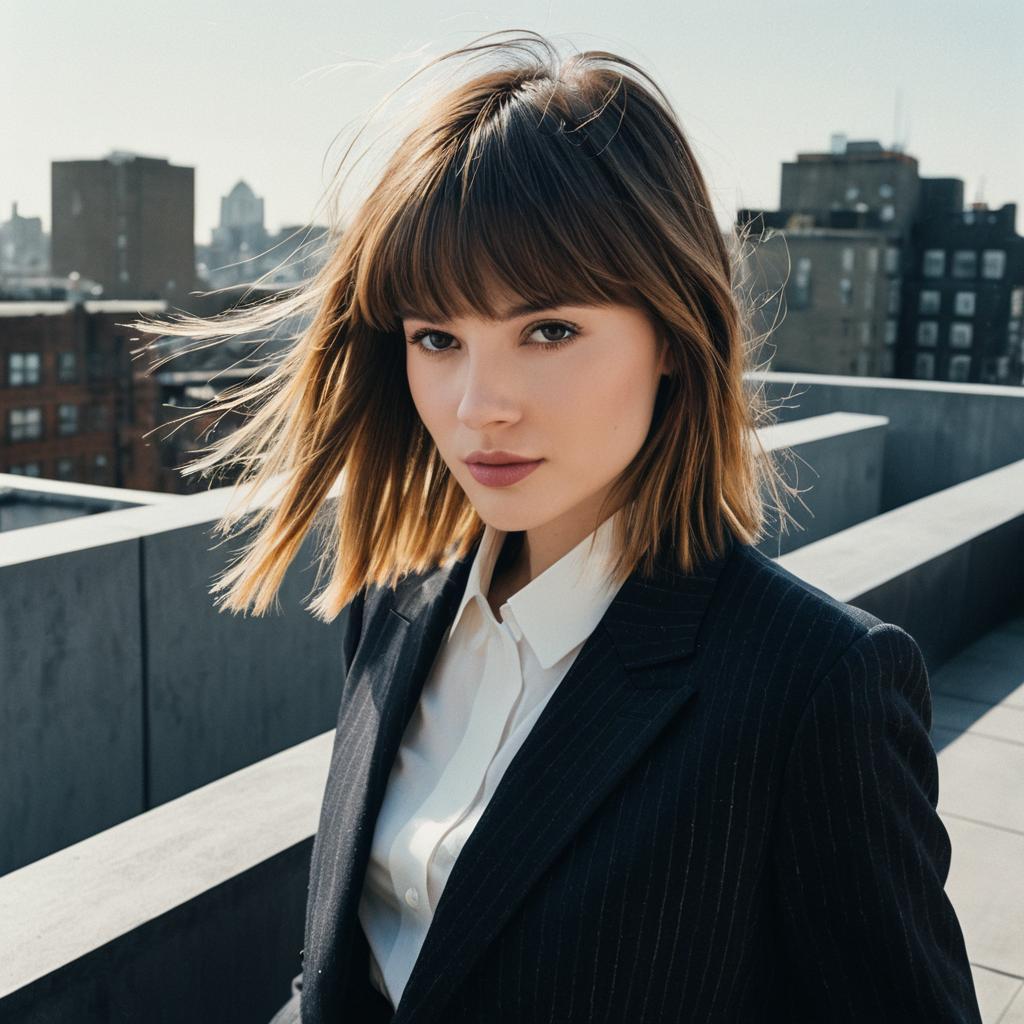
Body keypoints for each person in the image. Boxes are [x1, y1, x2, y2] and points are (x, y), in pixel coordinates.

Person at [131, 30, 982, 1024]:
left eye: (548, 331)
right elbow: (354, 972)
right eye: (437, 338)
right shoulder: (396, 609)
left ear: (671, 333)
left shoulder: (810, 688)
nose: (478, 405)